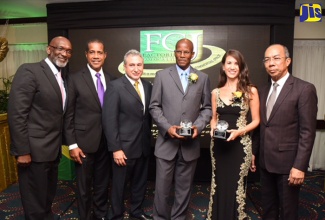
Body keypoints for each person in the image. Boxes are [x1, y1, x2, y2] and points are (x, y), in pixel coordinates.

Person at [8, 36, 72, 219]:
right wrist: (22, 151)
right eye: (60, 48)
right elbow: (17, 113)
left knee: (46, 197)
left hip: (52, 151)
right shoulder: (30, 70)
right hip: (32, 152)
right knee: (34, 203)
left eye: (68, 51)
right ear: (48, 49)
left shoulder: (61, 77)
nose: (64, 53)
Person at [252, 44, 318, 220]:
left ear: (287, 61)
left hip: (289, 166)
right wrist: (254, 153)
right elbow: (261, 127)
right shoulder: (263, 90)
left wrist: (299, 166)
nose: (271, 63)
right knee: (268, 209)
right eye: (267, 59)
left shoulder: (304, 89)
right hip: (265, 163)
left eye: (276, 58)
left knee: (288, 212)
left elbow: (307, 131)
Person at [149, 38, 211, 220]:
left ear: (193, 54)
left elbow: (207, 108)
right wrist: (168, 128)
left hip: (190, 145)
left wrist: (198, 127)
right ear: (175, 52)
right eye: (179, 51)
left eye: (186, 52)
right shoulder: (162, 75)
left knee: (184, 188)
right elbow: (154, 106)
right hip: (166, 143)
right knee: (161, 188)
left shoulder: (203, 78)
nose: (182, 55)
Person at [207, 49, 260, 220]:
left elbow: (256, 121)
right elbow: (213, 118)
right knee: (219, 184)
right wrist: (213, 130)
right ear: (223, 66)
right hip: (219, 147)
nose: (232, 67)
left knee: (235, 185)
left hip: (240, 147)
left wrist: (240, 131)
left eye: (236, 63)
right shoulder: (215, 92)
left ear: (241, 67)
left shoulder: (250, 91)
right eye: (229, 63)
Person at [64, 39, 114, 220]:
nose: (96, 56)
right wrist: (72, 144)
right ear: (86, 54)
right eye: (92, 52)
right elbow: (68, 114)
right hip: (83, 144)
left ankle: (100, 214)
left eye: (99, 52)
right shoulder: (75, 78)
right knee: (84, 186)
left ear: (105, 55)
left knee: (102, 183)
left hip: (105, 142)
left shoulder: (111, 79)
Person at [102, 49, 153, 220]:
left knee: (140, 184)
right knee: (119, 186)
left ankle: (136, 212)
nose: (136, 68)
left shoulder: (147, 86)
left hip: (143, 147)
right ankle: (116, 215)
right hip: (123, 149)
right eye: (132, 65)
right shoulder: (115, 87)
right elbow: (109, 121)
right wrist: (116, 149)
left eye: (139, 65)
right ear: (125, 67)